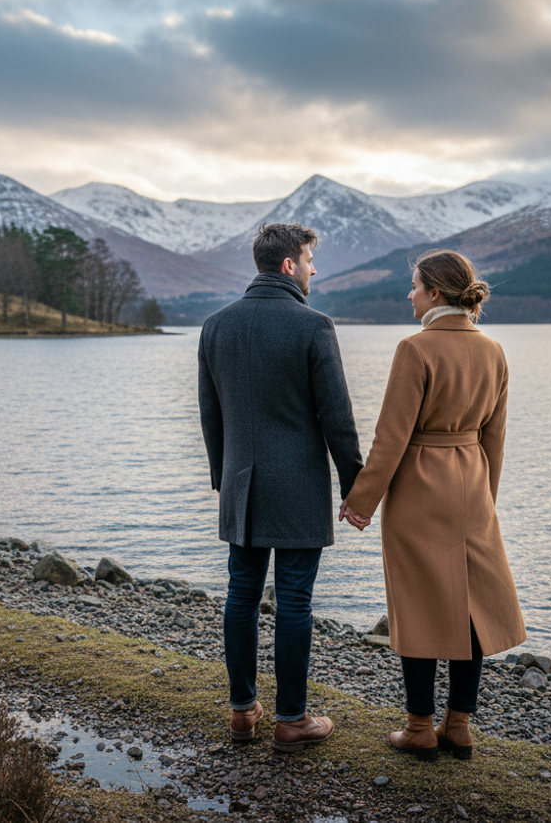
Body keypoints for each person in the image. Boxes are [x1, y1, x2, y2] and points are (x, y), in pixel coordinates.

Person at [340, 248, 526, 762]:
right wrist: (486, 499)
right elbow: (496, 438)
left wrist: (360, 502)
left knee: (418, 602)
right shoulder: (494, 351)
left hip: (421, 487)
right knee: (472, 606)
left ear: (436, 294)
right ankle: (460, 726)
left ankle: (420, 728)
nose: (410, 294)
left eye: (415, 286)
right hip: (472, 483)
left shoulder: (414, 348)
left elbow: (390, 439)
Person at [198, 222, 366, 753]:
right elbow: (337, 418)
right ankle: (292, 720)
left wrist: (221, 477)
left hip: (240, 485)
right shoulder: (314, 326)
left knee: (241, 596)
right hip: (297, 487)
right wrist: (355, 488)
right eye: (311, 260)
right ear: (290, 265)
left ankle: (243, 712)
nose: (315, 269)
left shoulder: (214, 326)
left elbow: (210, 414)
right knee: (294, 600)